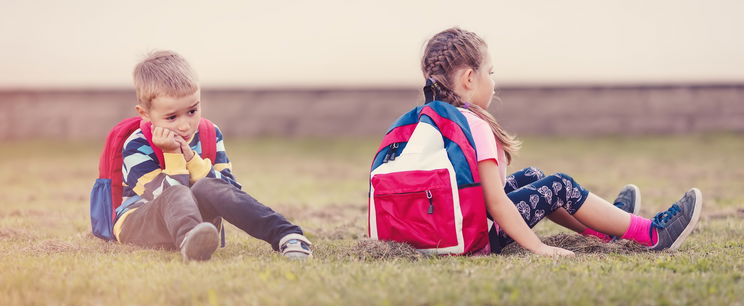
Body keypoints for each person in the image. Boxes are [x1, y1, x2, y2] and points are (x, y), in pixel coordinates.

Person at [418, 27, 702, 256]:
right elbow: (496, 203)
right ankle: (653, 234)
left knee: (534, 177)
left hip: (450, 226)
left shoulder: (430, 120)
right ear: (469, 78)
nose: (493, 82)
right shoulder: (473, 125)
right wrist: (539, 247)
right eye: (490, 73)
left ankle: (604, 227)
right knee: (559, 185)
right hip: (478, 235)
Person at [113, 50, 312, 261]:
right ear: (145, 114)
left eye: (192, 111)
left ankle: (286, 234)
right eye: (171, 117)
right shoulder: (137, 145)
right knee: (177, 194)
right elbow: (167, 198)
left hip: (197, 222)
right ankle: (191, 241)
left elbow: (230, 192)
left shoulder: (210, 134)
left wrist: (192, 159)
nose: (184, 125)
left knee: (208, 186)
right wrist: (172, 154)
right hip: (140, 223)